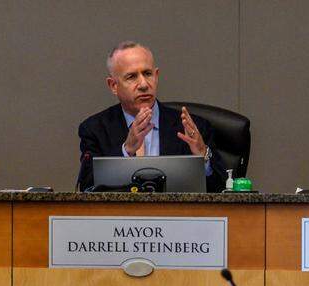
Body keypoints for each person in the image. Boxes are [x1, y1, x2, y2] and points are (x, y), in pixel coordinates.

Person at [77, 41, 226, 191]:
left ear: (156, 76)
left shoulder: (194, 127)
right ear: (113, 86)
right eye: (132, 77)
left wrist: (202, 154)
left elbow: (221, 191)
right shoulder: (94, 129)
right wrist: (126, 150)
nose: (143, 84)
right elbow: (87, 189)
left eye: (147, 74)